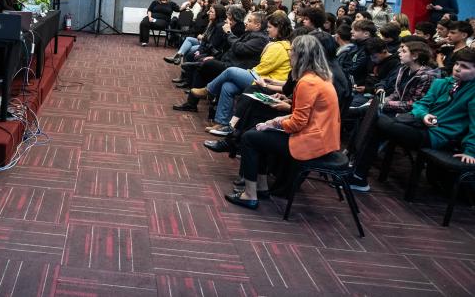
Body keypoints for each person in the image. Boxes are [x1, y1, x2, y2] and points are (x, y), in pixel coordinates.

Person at [224, 35, 341, 209]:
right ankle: (261, 187)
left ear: (301, 55)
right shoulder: (320, 77)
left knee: (250, 138)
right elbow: (304, 116)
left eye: (292, 51)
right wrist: (275, 121)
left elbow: (298, 123)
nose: (289, 55)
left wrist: (274, 123)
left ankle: (249, 194)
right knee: (260, 134)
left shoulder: (307, 82)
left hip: (311, 142)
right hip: (322, 138)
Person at [350, 49, 475, 190]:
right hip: (419, 123)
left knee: (377, 118)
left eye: (464, 67)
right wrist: (424, 115)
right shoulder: (442, 83)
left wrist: (471, 150)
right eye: (457, 64)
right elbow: (420, 104)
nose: (457, 68)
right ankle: (357, 172)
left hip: (437, 135)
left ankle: (356, 171)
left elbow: (474, 126)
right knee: (376, 121)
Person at [196, 12, 292, 135]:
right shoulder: (277, 44)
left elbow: (262, 69)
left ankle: (209, 90)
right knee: (228, 86)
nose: (267, 30)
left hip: (265, 82)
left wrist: (243, 73)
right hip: (264, 77)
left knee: (231, 71)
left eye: (270, 27)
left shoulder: (278, 47)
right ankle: (223, 123)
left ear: (279, 29)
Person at [381, 41, 438, 115]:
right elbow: (397, 93)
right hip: (398, 109)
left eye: (404, 52)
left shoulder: (426, 76)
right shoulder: (404, 69)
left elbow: (414, 104)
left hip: (412, 114)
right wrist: (381, 100)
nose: (399, 54)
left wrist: (383, 104)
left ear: (415, 56)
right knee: (367, 109)